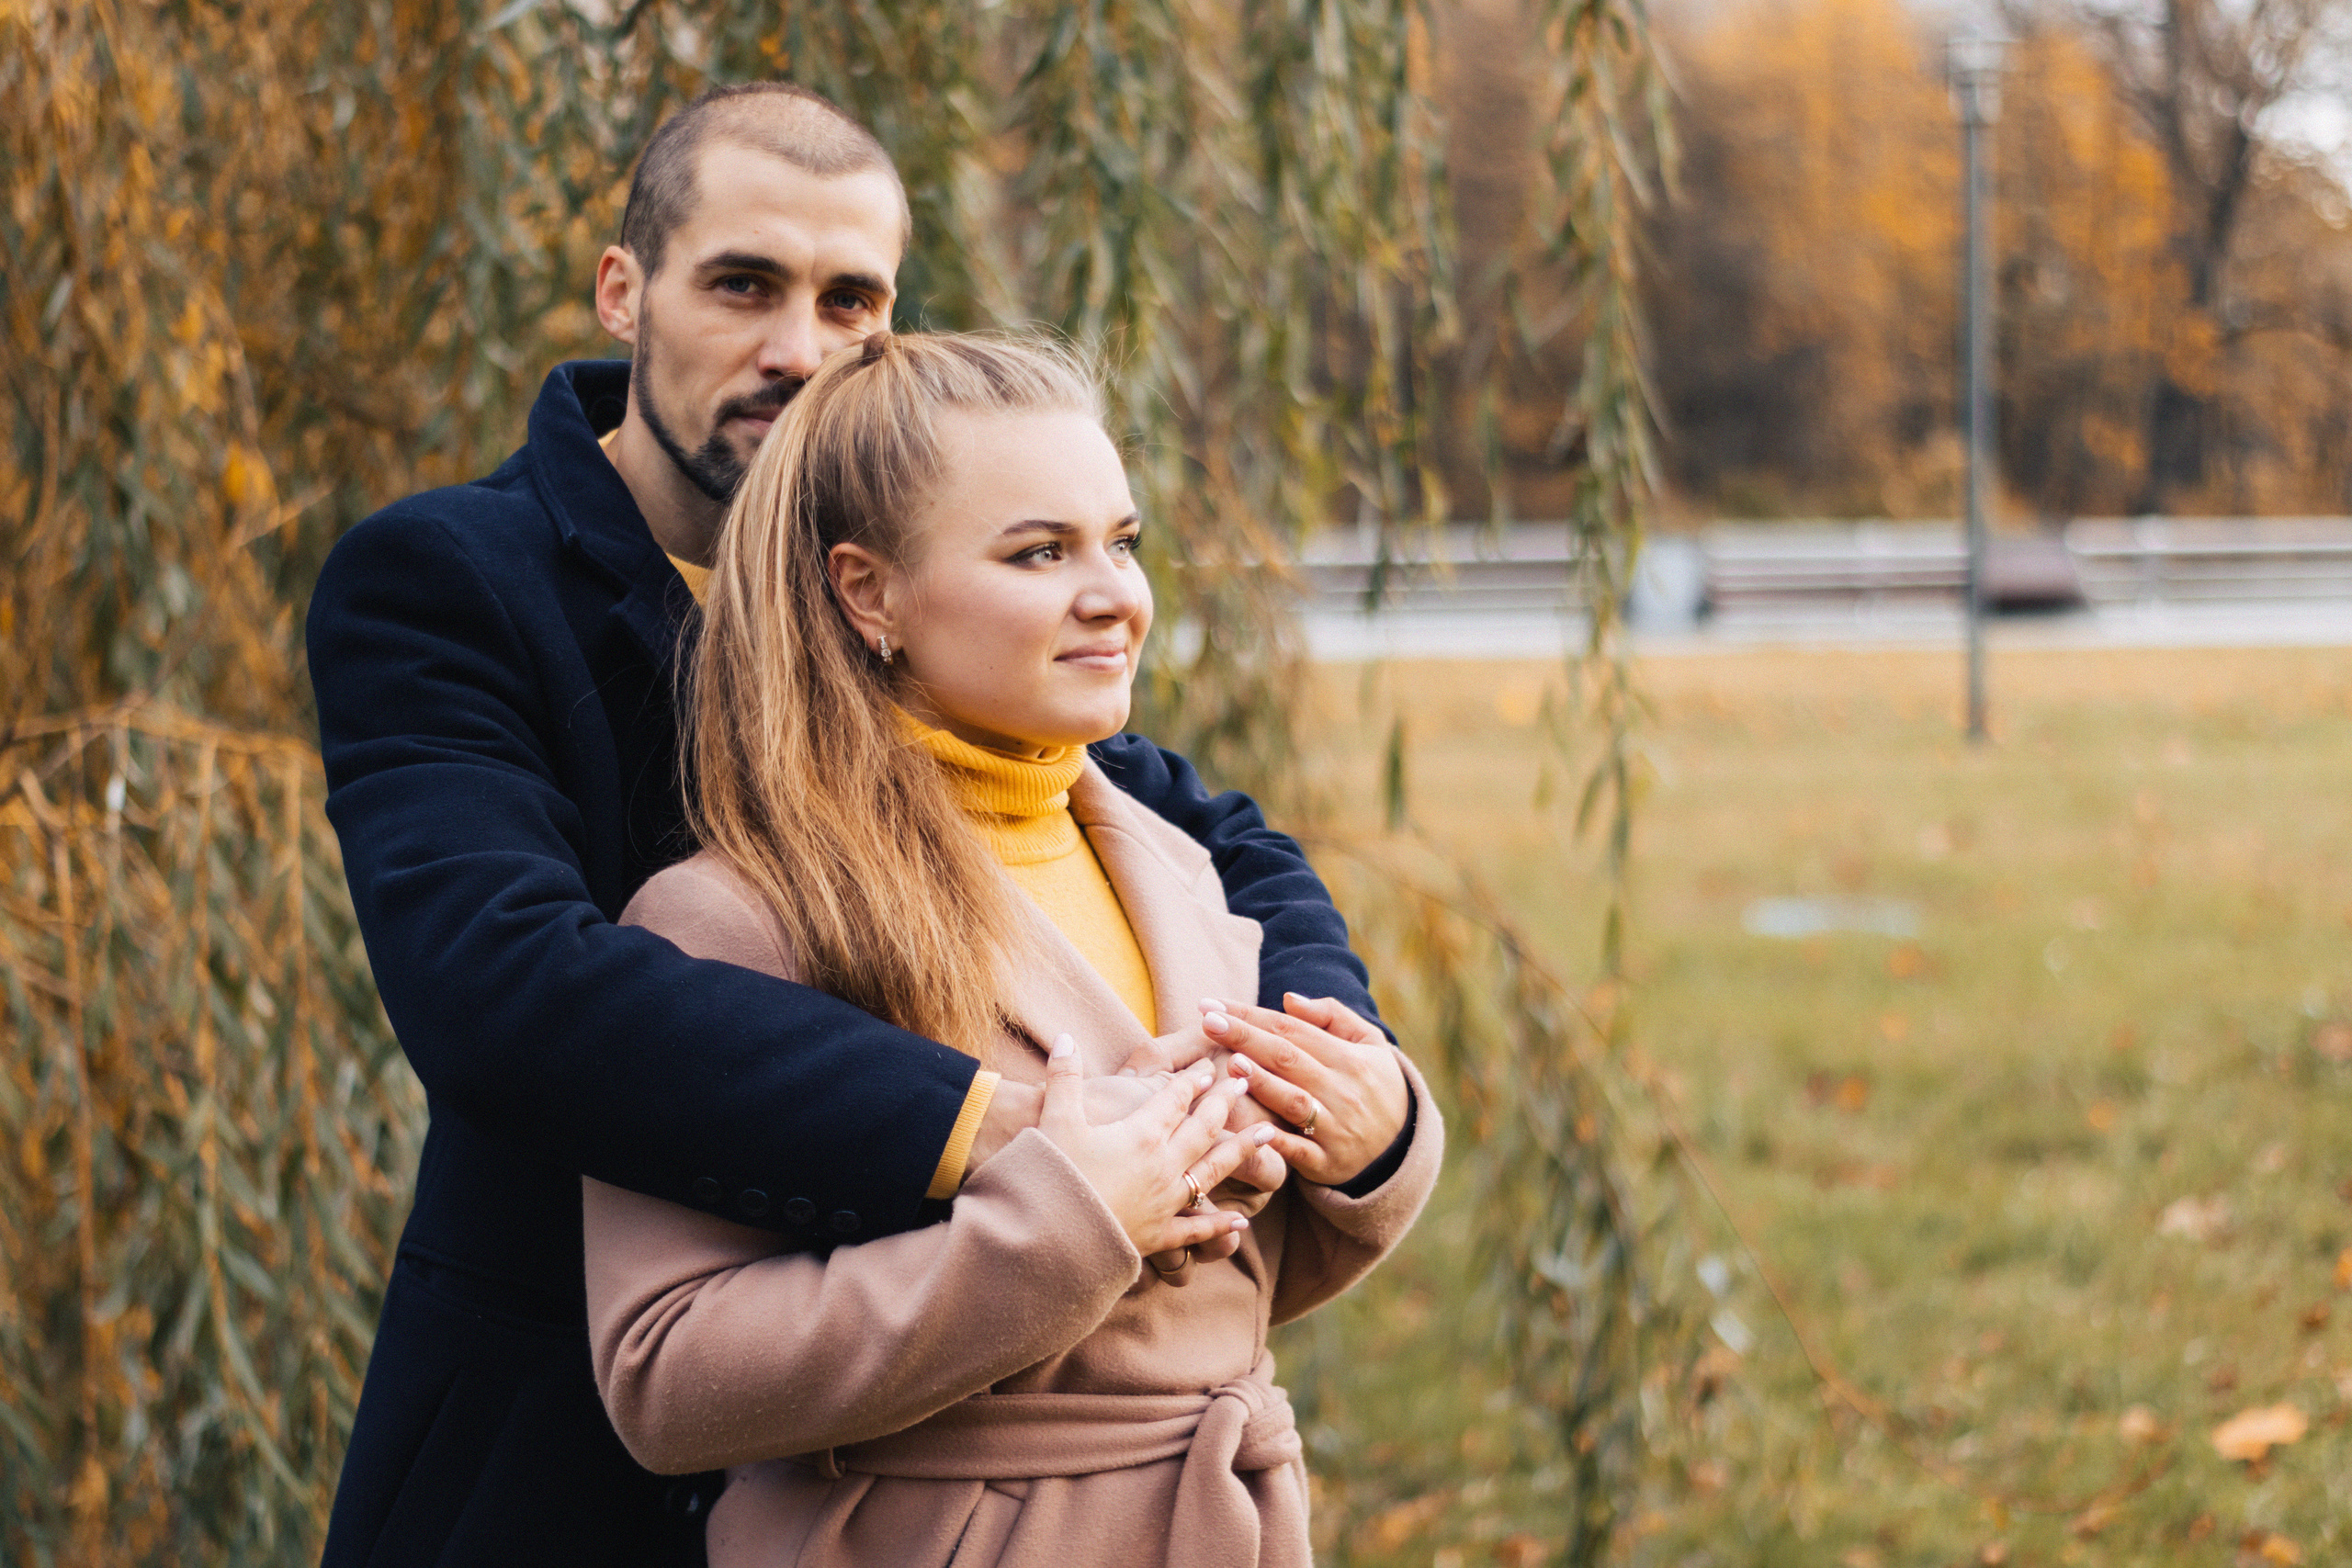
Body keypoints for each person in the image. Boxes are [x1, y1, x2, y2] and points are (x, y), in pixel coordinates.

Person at [305, 85, 1387, 1567]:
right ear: (624, 291)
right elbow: (507, 992)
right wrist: (1005, 1130)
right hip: (562, 1439)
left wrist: (1318, 1068)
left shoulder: (946, 609)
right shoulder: (452, 582)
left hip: (933, 1461)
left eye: (851, 302)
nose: (799, 349)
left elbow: (1211, 836)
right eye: (743, 285)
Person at [583, 330, 1441, 1568]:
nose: (1115, 596)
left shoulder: (1180, 868)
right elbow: (667, 1377)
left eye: (1122, 543)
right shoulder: (732, 919)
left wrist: (1375, 1149)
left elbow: (1194, 1304)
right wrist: (1064, 1230)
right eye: (1040, 552)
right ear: (868, 593)